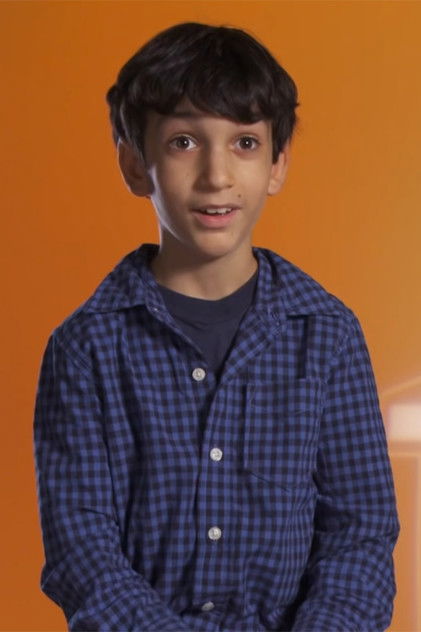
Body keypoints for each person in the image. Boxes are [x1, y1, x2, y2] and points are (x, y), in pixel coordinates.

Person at [34, 22, 399, 632]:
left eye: (245, 143)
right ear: (134, 164)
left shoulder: (328, 335)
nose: (216, 176)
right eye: (183, 142)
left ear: (278, 164)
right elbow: (82, 554)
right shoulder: (84, 348)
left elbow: (359, 535)